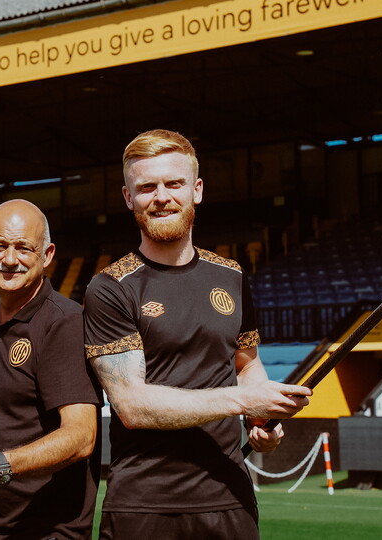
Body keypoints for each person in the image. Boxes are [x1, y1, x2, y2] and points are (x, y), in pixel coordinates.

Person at [82, 129, 312, 539]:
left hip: (229, 499)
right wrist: (244, 400)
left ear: (197, 190)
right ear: (127, 198)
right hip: (143, 506)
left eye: (174, 183)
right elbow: (132, 405)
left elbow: (247, 364)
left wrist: (261, 419)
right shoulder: (110, 287)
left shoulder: (233, 276)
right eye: (147, 187)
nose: (162, 196)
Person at [0, 199, 102, 540]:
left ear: (47, 254)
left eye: (24, 248)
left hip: (47, 531)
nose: (9, 260)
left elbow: (81, 437)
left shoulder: (65, 322)